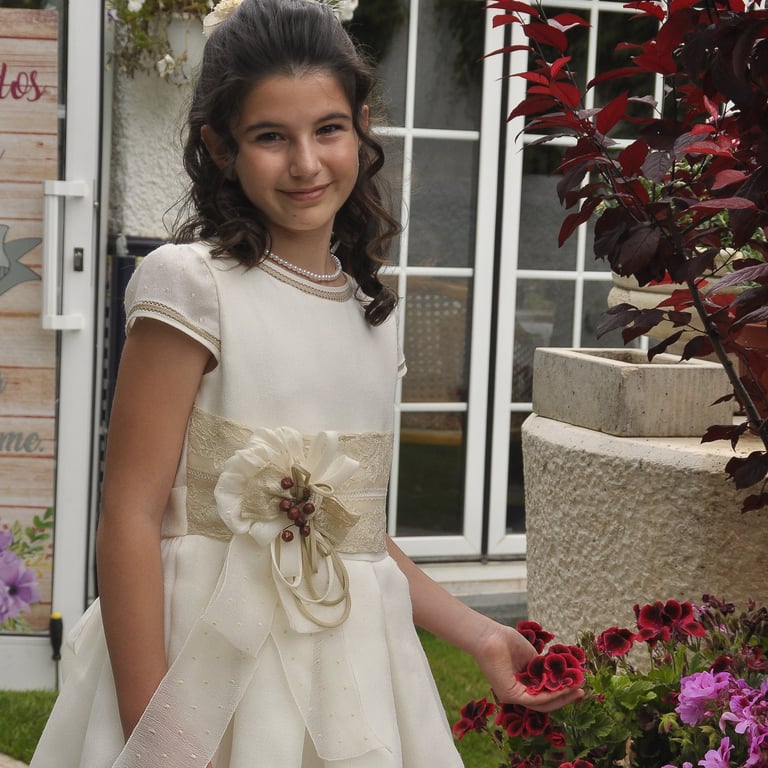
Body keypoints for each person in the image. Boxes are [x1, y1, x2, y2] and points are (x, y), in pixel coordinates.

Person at [30, 1, 581, 766]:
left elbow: (355, 535)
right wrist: (157, 734)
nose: (306, 163)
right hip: (201, 664)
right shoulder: (190, 285)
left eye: (328, 129)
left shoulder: (372, 315)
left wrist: (480, 632)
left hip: (346, 664)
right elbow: (129, 513)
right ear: (219, 146)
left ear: (361, 129)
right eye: (270, 137)